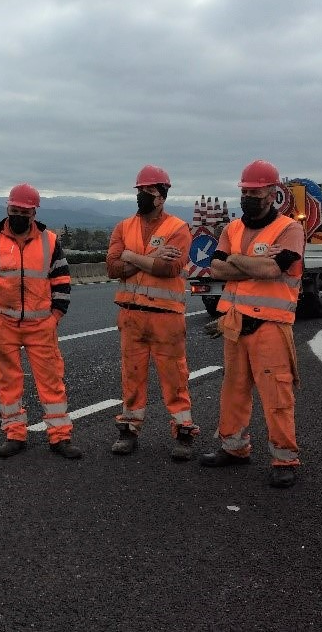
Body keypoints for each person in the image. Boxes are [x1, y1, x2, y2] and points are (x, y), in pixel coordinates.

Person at [199, 159, 305, 488]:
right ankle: (233, 448)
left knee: (276, 395)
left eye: (256, 192)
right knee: (234, 391)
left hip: (271, 324)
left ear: (273, 193)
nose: (249, 197)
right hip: (234, 321)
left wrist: (236, 261)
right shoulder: (232, 228)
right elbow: (216, 269)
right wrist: (253, 263)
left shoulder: (290, 228)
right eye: (245, 191)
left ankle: (284, 458)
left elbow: (275, 270)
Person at [0, 182, 81, 459]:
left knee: (52, 381)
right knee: (7, 381)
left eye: (24, 212)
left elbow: (62, 281)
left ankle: (60, 437)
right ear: (7, 208)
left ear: (34, 214)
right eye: (14, 210)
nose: (18, 216)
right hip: (1, 323)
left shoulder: (49, 241)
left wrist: (55, 316)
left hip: (41, 325)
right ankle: (14, 434)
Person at [106, 164, 198, 460]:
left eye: (149, 191)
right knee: (131, 377)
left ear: (162, 196)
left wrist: (131, 257)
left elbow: (169, 268)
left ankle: (183, 432)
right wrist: (147, 257)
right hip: (131, 315)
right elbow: (112, 267)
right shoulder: (123, 226)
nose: (143, 196)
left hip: (166, 317)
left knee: (175, 377)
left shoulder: (178, 228)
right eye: (141, 191)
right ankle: (129, 430)